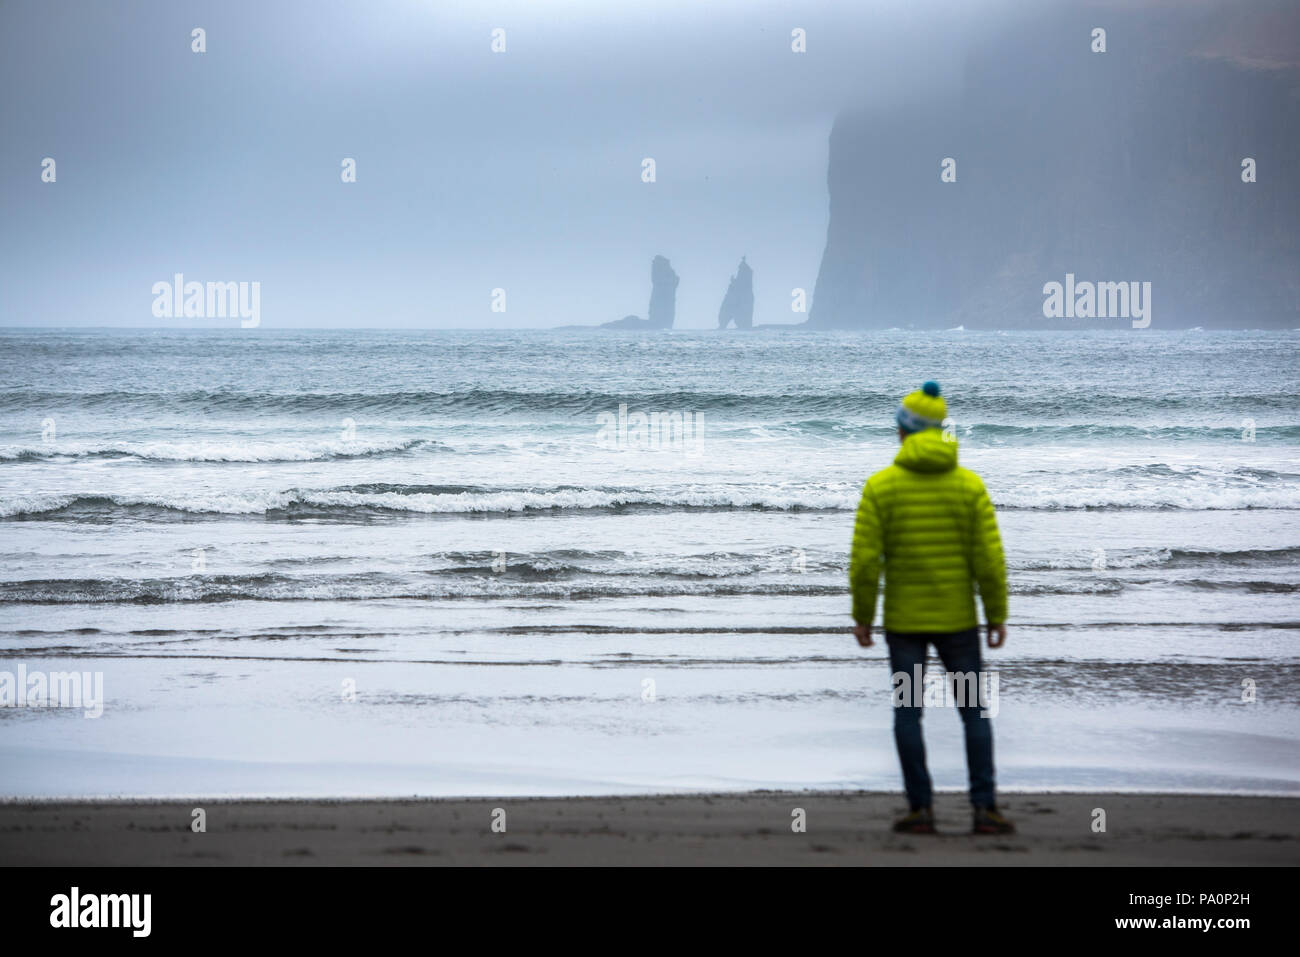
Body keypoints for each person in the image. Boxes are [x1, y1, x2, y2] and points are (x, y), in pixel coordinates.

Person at [849, 381, 1014, 835]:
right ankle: (985, 809)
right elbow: (989, 559)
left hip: (904, 625)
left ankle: (920, 810)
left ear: (904, 432)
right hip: (959, 623)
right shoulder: (969, 486)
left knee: (907, 712)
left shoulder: (881, 487)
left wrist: (863, 617)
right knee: (974, 713)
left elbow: (865, 562)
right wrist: (996, 614)